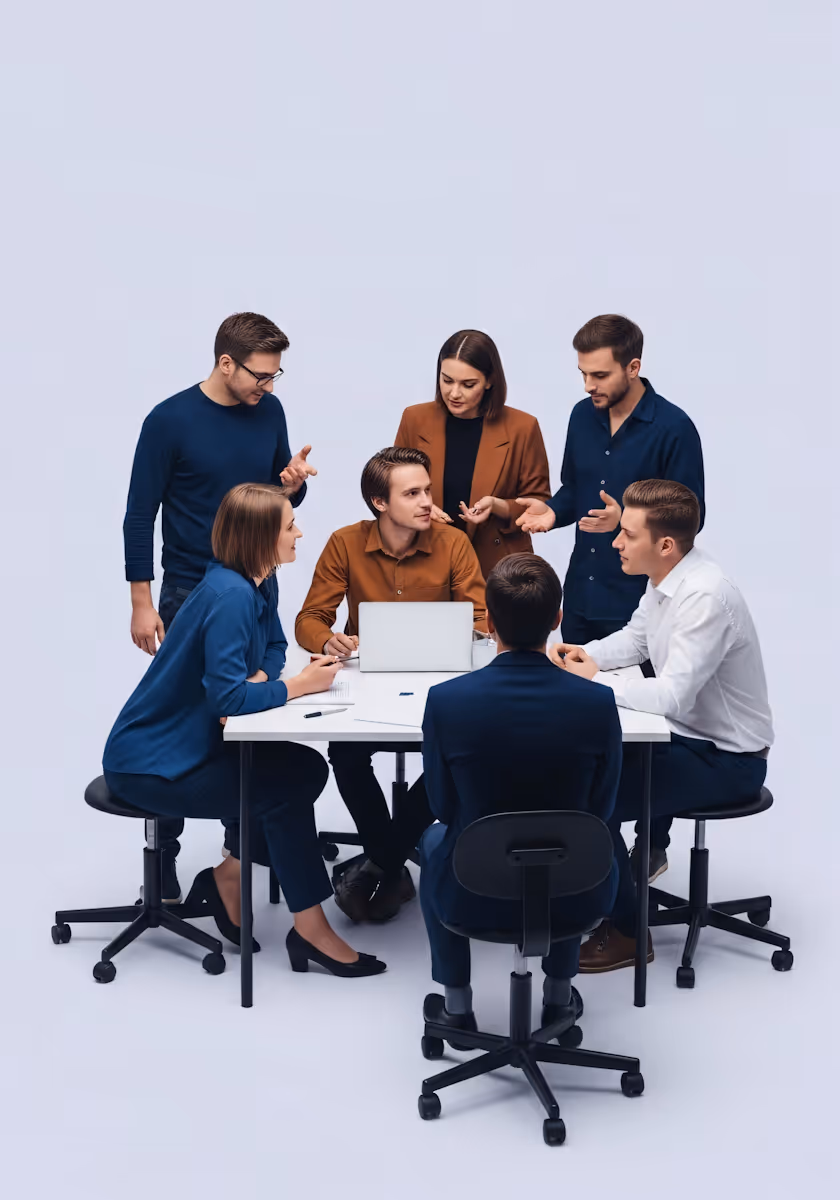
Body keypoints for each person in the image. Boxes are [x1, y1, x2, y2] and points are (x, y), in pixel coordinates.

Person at [104, 483, 386, 979]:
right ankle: (311, 929)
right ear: (260, 538)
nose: (299, 532)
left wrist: (264, 676)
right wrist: (297, 686)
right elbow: (227, 700)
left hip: (190, 747)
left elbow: (275, 644)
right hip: (152, 766)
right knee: (282, 787)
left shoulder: (259, 581)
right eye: (289, 526)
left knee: (303, 767)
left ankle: (229, 876)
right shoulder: (230, 595)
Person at [123, 312, 317, 901]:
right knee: (191, 719)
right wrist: (140, 601)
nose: (270, 387)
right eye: (261, 375)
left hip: (256, 581)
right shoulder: (170, 420)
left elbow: (274, 498)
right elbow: (139, 514)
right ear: (225, 363)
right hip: (190, 589)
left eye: (277, 375)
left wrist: (293, 482)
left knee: (246, 721)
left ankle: (234, 863)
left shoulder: (271, 411)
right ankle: (164, 858)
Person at [550, 480, 774, 972]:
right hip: (687, 737)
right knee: (583, 771)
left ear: (665, 544)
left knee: (591, 800)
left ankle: (630, 931)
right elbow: (636, 640)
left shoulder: (704, 597)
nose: (616, 543)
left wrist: (596, 683)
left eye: (628, 534)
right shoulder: (668, 578)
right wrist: (583, 656)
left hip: (727, 760)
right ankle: (610, 894)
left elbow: (672, 695)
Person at [418, 554, 621, 1038]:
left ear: (487, 622)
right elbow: (602, 809)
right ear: (557, 619)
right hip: (579, 893)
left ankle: (457, 1005)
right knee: (575, 839)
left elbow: (442, 808)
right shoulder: (597, 702)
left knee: (431, 841)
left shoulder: (447, 701)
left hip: (472, 890)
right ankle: (557, 998)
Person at [295, 446, 487, 924]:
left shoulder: (453, 543)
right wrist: (329, 638)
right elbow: (309, 619)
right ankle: (393, 857)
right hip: (368, 685)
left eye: (427, 490)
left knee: (460, 754)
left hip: (440, 687)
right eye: (413, 493)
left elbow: (483, 618)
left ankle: (382, 861)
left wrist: (464, 631)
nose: (427, 502)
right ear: (380, 503)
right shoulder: (344, 542)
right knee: (346, 751)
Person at [516, 314, 705, 646]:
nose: (589, 385)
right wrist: (553, 512)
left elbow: (691, 518)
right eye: (584, 374)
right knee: (577, 697)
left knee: (635, 698)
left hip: (640, 604)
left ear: (633, 368)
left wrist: (627, 521)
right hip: (578, 600)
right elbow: (575, 488)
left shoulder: (675, 428)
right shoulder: (580, 416)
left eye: (600, 375)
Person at [395, 329, 551, 580]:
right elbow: (393, 486)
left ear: (490, 381)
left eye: (468, 384)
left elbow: (539, 503)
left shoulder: (523, 427)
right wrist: (419, 506)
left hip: (497, 567)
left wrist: (498, 505)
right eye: (446, 381)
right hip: (425, 560)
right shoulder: (415, 419)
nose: (454, 393)